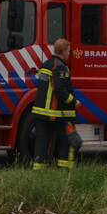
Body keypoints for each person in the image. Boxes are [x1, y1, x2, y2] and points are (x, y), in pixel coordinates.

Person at [31, 38, 77, 170]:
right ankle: (64, 169)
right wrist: (73, 101)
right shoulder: (60, 67)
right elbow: (60, 89)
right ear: (63, 51)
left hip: (40, 112)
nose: (69, 54)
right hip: (54, 113)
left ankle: (38, 169)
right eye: (68, 51)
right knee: (64, 141)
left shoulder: (45, 65)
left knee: (41, 142)